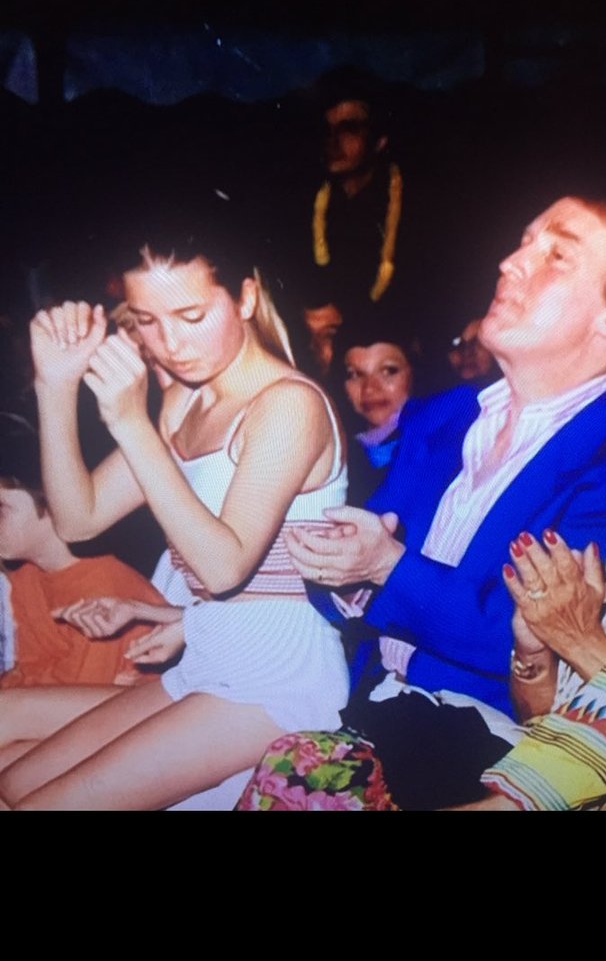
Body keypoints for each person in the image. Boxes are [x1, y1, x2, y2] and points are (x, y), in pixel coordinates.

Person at [0, 202, 349, 811]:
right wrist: (55, 384)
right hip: (205, 664)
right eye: (147, 322)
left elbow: (222, 568)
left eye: (192, 316)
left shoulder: (288, 405)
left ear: (245, 298)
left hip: (277, 681)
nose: (170, 345)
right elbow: (78, 519)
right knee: (13, 782)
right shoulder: (187, 400)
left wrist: (130, 422)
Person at [287, 197, 606, 722]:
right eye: (524, 242)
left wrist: (384, 567)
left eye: (557, 255)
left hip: (484, 741)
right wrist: (345, 571)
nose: (510, 263)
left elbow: (533, 635)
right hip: (359, 703)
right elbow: (358, 564)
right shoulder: (444, 415)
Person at [239, 498, 606, 811]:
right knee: (299, 765)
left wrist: (579, 640)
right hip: (543, 759)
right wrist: (536, 650)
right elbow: (544, 718)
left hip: (586, 787)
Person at [0, 425, 166, 691]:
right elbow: (29, 671)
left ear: (51, 501)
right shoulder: (26, 579)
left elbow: (78, 690)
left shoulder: (104, 588)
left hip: (111, 708)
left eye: (1, 510)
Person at [338, 313, 415, 505]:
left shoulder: (446, 446)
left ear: (413, 373)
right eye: (355, 375)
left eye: (388, 371)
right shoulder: (337, 454)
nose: (370, 389)